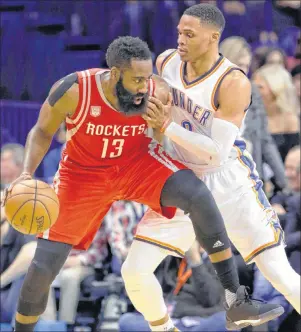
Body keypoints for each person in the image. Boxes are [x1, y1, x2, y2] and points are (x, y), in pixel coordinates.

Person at [0, 36, 271, 332]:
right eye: (137, 79)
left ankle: (235, 300)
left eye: (147, 77)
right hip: (82, 176)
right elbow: (41, 132)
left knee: (197, 194)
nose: (144, 85)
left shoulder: (156, 91)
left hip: (136, 165)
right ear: (115, 74)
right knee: (41, 269)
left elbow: (166, 133)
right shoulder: (74, 90)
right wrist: (26, 172)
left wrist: (162, 126)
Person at [122, 4, 300, 331]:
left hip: (228, 181)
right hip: (182, 180)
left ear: (213, 37)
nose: (181, 40)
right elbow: (148, 111)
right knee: (133, 271)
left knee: (280, 273)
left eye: (189, 34)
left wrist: (167, 128)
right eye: (179, 32)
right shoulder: (166, 62)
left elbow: (216, 154)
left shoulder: (232, 82)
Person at [219, 36, 286, 192]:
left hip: (250, 177)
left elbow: (265, 140)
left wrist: (285, 184)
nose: (243, 70)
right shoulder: (209, 93)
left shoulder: (253, 92)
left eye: (246, 66)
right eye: (239, 64)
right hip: (220, 177)